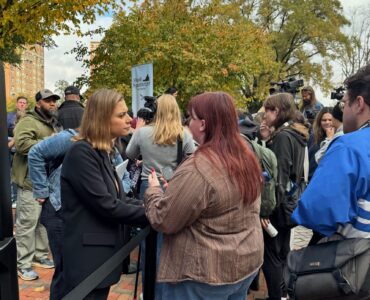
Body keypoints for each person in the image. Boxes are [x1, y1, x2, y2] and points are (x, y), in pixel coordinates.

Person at [144, 92, 264, 299]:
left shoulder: (199, 167)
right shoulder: (245, 156)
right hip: (245, 263)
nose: (188, 122)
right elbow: (221, 201)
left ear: (203, 124)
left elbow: (165, 219)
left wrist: (153, 190)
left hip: (206, 275)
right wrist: (178, 189)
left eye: (191, 117)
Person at [60, 89, 148, 299]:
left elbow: (121, 198)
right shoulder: (82, 153)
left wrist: (152, 205)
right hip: (87, 263)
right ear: (101, 119)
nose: (129, 120)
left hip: (99, 258)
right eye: (121, 115)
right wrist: (154, 215)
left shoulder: (101, 152)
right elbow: (107, 205)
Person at [292, 64, 370, 239]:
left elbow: (315, 212)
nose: (342, 112)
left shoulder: (348, 147)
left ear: (359, 104)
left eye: (344, 104)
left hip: (357, 256)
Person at [262, 93, 309, 300]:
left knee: (272, 256)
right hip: (290, 203)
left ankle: (277, 295)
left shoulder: (283, 137)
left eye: (268, 110)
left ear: (277, 111)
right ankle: (283, 293)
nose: (264, 115)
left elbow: (278, 179)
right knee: (282, 253)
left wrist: (266, 210)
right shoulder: (296, 135)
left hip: (278, 207)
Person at [12, 89, 62, 281]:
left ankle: (40, 255)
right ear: (38, 103)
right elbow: (22, 144)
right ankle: (22, 264)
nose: (52, 104)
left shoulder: (49, 123)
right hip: (29, 183)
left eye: (54, 101)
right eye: (48, 101)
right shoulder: (28, 121)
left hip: (45, 183)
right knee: (27, 223)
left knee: (42, 222)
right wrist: (50, 143)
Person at [307, 107, 333, 179]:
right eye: (324, 120)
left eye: (330, 120)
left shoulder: (339, 137)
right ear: (319, 122)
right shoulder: (313, 137)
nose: (327, 122)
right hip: (312, 177)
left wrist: (330, 139)